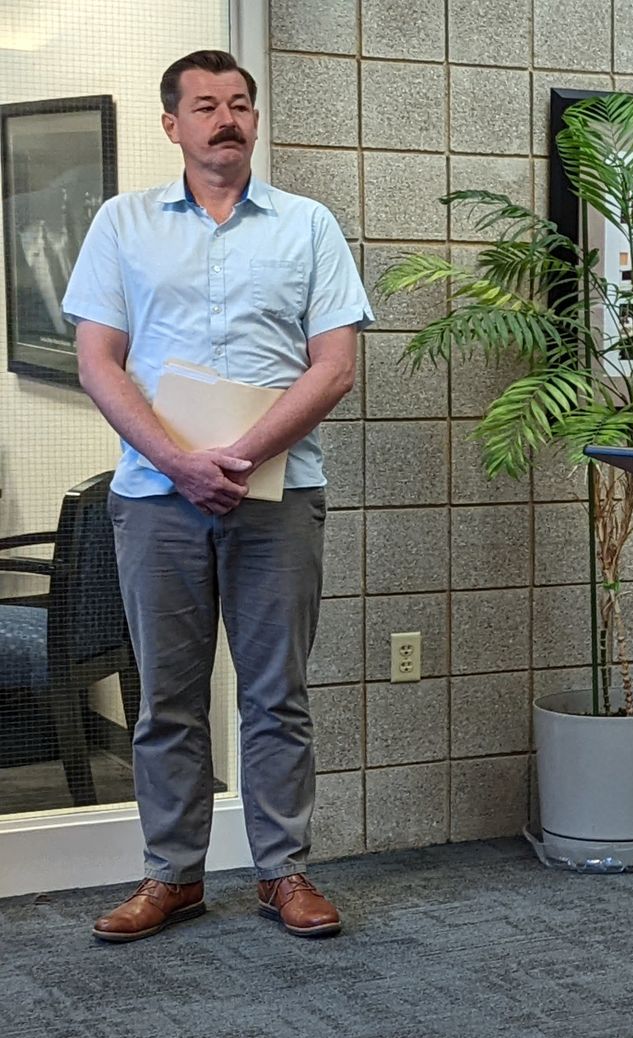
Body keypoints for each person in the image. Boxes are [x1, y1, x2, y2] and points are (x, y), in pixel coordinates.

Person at [62, 49, 371, 943]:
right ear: (173, 126)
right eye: (205, 106)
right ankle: (173, 876)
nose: (226, 119)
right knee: (166, 697)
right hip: (156, 500)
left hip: (278, 495)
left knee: (277, 695)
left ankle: (282, 871)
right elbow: (97, 362)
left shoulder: (308, 226)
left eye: (240, 104)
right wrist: (179, 460)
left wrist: (237, 454)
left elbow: (335, 366)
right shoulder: (122, 225)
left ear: (254, 119)